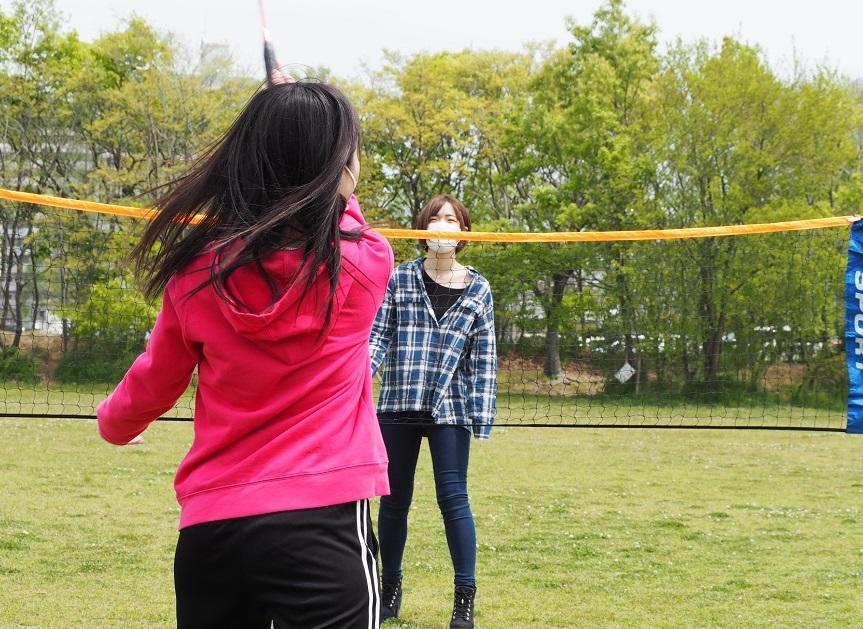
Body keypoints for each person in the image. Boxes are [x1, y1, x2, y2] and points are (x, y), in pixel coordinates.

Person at [97, 77, 393, 629]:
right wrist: (309, 132)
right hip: (319, 520)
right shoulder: (365, 263)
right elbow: (346, 217)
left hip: (213, 534)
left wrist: (114, 423)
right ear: (334, 170)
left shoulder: (195, 273)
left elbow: (155, 378)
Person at [369, 195, 497, 629]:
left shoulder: (479, 288)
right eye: (435, 219)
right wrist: (352, 382)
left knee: (453, 499)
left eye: (451, 219)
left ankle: (464, 599)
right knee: (393, 501)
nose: (442, 226)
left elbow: (484, 357)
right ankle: (390, 589)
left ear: (463, 233)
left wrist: (481, 415)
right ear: (423, 229)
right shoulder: (400, 279)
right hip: (398, 402)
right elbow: (378, 338)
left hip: (450, 408)